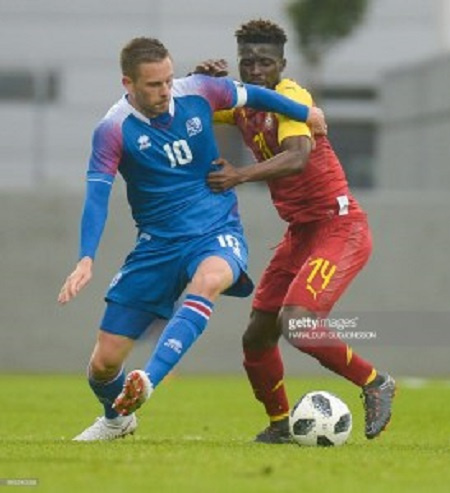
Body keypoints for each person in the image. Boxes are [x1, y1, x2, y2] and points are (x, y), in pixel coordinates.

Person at [58, 36, 326, 441]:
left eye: (168, 79)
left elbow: (254, 94)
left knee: (211, 278)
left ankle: (148, 381)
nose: (166, 91)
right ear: (127, 83)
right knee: (103, 365)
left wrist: (306, 112)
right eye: (153, 84)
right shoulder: (112, 129)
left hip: (216, 231)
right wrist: (85, 258)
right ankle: (117, 420)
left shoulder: (198, 90)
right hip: (156, 246)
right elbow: (97, 196)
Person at [191, 19, 396, 443]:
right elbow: (197, 108)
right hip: (301, 233)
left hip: (339, 227)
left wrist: (239, 175)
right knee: (257, 337)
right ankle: (281, 425)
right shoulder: (245, 101)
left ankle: (375, 382)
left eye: (265, 62)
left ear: (281, 63)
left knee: (298, 323)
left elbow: (298, 156)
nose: (256, 70)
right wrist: (201, 80)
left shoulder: (291, 97)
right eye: (248, 63)